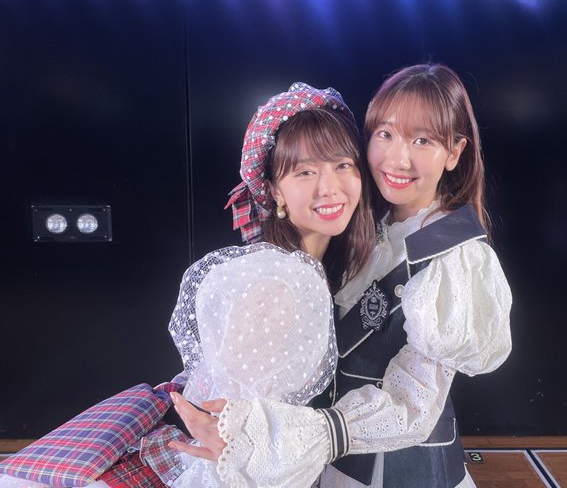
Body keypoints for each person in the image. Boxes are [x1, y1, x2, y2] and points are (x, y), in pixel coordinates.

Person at [0, 82, 375, 488]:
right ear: (273, 191)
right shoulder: (282, 280)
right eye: (305, 172)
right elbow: (226, 429)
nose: (329, 187)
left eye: (343, 165)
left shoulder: (305, 266)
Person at [170, 63, 513, 488]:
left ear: (455, 152)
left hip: (401, 472)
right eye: (385, 134)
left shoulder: (455, 261)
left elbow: (413, 407)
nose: (398, 158)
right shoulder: (362, 231)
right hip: (318, 465)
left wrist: (281, 438)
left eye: (422, 140)